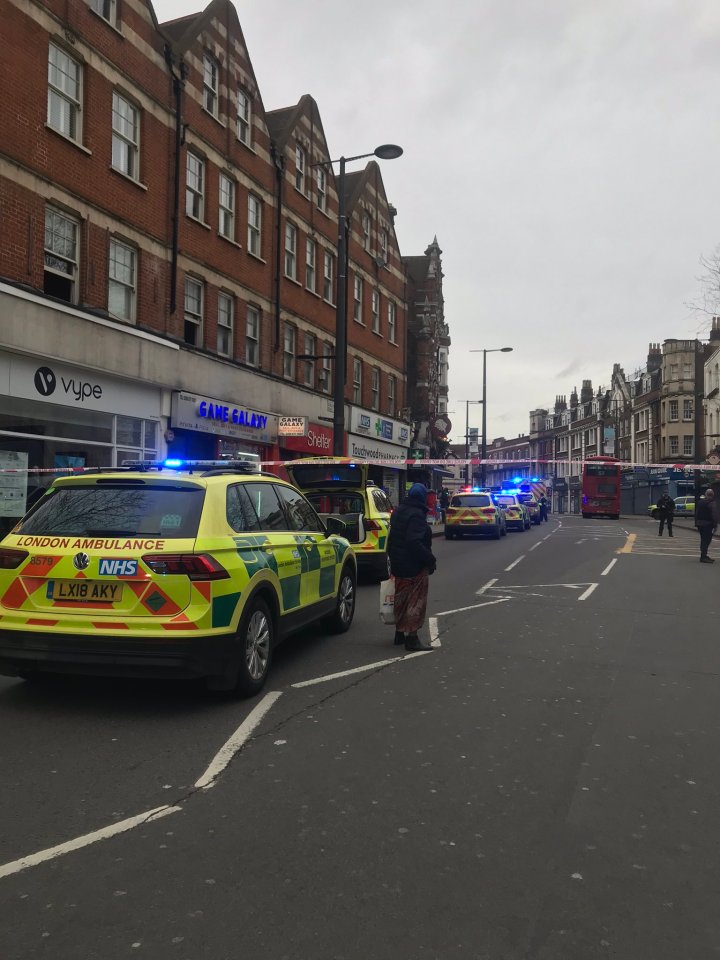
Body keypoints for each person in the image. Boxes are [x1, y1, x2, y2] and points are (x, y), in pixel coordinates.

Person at [387, 482, 437, 651]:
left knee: (401, 599)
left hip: (398, 562)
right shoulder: (416, 515)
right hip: (413, 565)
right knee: (415, 602)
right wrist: (430, 559)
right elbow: (414, 541)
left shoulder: (399, 511)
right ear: (422, 497)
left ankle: (399, 633)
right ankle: (412, 638)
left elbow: (393, 537)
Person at [696, 488, 717, 563]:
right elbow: (714, 515)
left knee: (703, 539)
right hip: (708, 524)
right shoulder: (712, 503)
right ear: (712, 495)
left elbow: (697, 513)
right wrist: (715, 525)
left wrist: (697, 523)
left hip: (700, 524)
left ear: (705, 494)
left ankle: (703, 555)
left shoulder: (700, 502)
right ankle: (703, 556)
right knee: (707, 540)